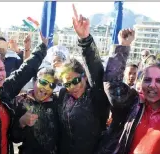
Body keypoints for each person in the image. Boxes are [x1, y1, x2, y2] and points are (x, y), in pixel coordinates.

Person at [97, 29, 160, 153]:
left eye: (159, 81)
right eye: (147, 80)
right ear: (140, 83)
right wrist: (123, 46)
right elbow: (112, 84)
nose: (152, 85)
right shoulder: (131, 103)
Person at [53, 4, 110, 154]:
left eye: (76, 81)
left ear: (84, 76)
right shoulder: (63, 95)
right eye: (68, 83)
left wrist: (84, 39)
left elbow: (96, 71)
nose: (73, 87)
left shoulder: (96, 96)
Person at [12, 67, 60, 154]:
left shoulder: (58, 103)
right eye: (43, 82)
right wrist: (22, 122)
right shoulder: (21, 101)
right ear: (34, 81)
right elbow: (14, 138)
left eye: (51, 85)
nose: (46, 88)